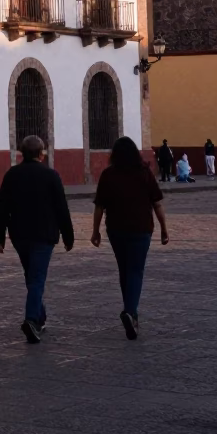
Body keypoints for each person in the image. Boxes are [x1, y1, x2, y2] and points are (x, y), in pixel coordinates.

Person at [0, 135, 74, 344]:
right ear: (41, 154)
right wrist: (68, 235)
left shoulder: (12, 175)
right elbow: (61, 208)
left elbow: (3, 207)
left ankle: (40, 316)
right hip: (43, 235)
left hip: (19, 235)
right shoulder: (51, 175)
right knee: (36, 278)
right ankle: (31, 320)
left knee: (32, 276)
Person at [91, 136, 169, 339]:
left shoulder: (108, 174)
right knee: (136, 270)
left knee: (124, 269)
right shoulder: (144, 173)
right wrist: (164, 228)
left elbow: (100, 206)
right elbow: (157, 203)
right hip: (141, 228)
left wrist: (95, 231)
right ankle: (130, 311)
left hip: (116, 228)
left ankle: (130, 310)